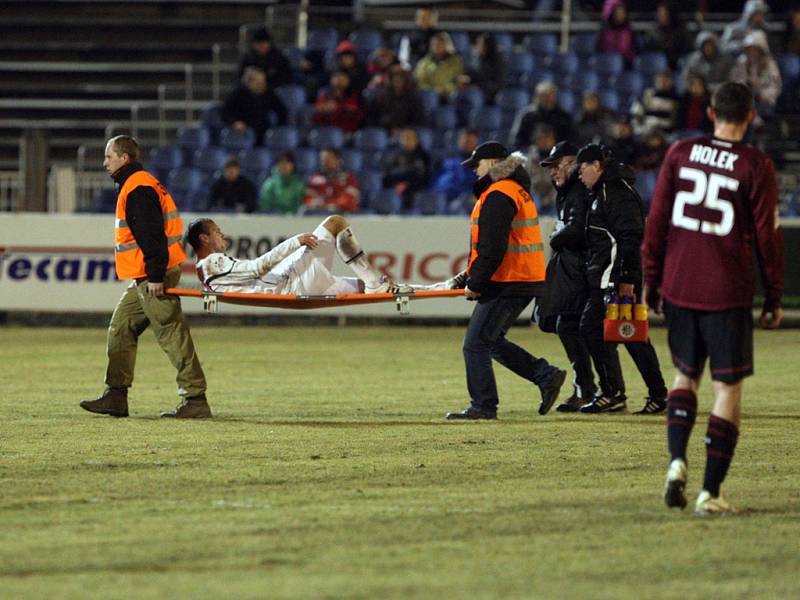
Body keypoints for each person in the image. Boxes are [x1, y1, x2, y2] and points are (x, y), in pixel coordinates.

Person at [642, 82, 784, 515]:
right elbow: (767, 237)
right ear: (752, 116)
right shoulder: (755, 165)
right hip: (727, 290)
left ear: (709, 113)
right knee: (727, 388)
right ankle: (710, 492)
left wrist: (652, 276)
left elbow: (658, 219)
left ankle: (676, 463)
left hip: (681, 283)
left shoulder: (680, 153)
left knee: (684, 378)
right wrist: (773, 293)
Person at [80, 136, 210, 419]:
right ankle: (116, 396)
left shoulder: (137, 188)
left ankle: (195, 398)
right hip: (147, 273)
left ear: (124, 158)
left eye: (109, 156)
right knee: (121, 326)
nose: (105, 162)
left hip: (153, 273)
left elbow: (152, 238)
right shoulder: (140, 183)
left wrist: (154, 275)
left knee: (170, 331)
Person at [445, 141, 566, 420]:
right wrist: (467, 276)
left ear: (494, 163)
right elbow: (493, 246)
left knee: (475, 344)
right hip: (522, 277)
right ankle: (545, 375)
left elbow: (493, 248)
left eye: (478, 164)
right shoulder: (516, 190)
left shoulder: (498, 194)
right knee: (491, 340)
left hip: (510, 279)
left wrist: (475, 282)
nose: (475, 170)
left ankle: (483, 406)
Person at [574, 143, 667, 414]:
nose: (580, 175)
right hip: (609, 276)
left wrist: (627, 277)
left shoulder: (614, 193)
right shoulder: (607, 190)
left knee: (621, 334)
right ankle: (636, 393)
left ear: (596, 166)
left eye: (582, 169)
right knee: (626, 335)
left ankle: (628, 394)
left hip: (617, 278)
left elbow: (631, 238)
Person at [188, 216, 411, 296]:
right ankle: (374, 283)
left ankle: (439, 287)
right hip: (292, 285)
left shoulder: (205, 270)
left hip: (291, 283)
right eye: (216, 231)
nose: (222, 234)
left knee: (370, 288)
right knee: (335, 223)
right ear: (204, 239)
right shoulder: (213, 262)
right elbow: (257, 268)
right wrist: (295, 242)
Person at [536, 142, 597, 412]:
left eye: (557, 165)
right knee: (568, 325)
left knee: (570, 326)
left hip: (582, 269)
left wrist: (556, 237)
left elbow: (576, 230)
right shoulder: (571, 191)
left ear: (573, 162)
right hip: (577, 269)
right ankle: (589, 387)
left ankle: (590, 388)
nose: (553, 172)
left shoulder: (576, 191)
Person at [222, 67, 287, 145]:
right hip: (242, 132)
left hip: (263, 131)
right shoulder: (238, 94)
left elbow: (282, 110)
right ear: (249, 82)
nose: (262, 86)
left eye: (263, 83)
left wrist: (278, 127)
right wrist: (234, 122)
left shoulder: (268, 93)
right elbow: (225, 112)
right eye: (258, 83)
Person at [730, 30, 782, 121]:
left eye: (755, 48)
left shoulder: (770, 64)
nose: (752, 51)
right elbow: (735, 82)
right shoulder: (742, 62)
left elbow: (776, 87)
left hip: (764, 103)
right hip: (745, 101)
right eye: (750, 48)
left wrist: (761, 94)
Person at [510, 81, 573, 151]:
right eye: (545, 96)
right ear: (538, 97)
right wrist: (529, 149)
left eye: (551, 95)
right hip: (531, 155)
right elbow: (516, 140)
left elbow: (571, 142)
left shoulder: (564, 118)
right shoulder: (527, 116)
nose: (548, 99)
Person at [381, 128, 431, 210]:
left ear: (416, 140)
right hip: (395, 188)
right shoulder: (394, 155)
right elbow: (388, 174)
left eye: (410, 138)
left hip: (415, 189)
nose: (407, 141)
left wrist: (406, 184)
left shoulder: (423, 155)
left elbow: (423, 176)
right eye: (405, 138)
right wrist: (397, 184)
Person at [366, 65, 427, 131]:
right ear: (390, 80)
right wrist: (389, 128)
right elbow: (373, 117)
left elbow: (419, 119)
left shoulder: (413, 98)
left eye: (400, 79)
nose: (397, 81)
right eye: (395, 79)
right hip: (385, 131)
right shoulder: (381, 97)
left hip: (408, 132)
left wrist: (404, 129)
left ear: (405, 80)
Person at [431, 128, 479, 209]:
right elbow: (434, 178)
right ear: (459, 140)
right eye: (465, 140)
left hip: (463, 199)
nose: (467, 144)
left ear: (476, 143)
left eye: (470, 142)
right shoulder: (445, 157)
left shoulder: (480, 163)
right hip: (441, 195)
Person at [303, 147, 360, 213]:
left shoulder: (349, 179)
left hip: (343, 217)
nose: (324, 163)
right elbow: (307, 199)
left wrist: (330, 204)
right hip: (320, 215)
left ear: (338, 160)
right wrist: (315, 203)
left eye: (328, 159)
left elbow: (349, 201)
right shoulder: (315, 179)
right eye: (322, 160)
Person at [413, 32, 464, 101]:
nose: (437, 47)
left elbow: (459, 80)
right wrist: (433, 91)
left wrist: (446, 89)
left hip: (450, 95)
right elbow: (420, 80)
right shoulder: (424, 62)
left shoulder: (456, 62)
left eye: (440, 44)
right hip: (429, 95)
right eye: (434, 44)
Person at [642, 1, 691, 70]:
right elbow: (649, 49)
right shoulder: (655, 31)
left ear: (671, 14)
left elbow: (687, 50)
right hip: (660, 67)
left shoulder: (681, 32)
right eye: (659, 13)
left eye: (663, 14)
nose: (659, 16)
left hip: (677, 66)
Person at [461, 32, 507, 104]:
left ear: (486, 46)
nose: (477, 47)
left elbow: (498, 85)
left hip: (492, 97)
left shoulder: (499, 61)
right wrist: (469, 79)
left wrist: (478, 87)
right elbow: (480, 76)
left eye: (479, 44)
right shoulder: (483, 58)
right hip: (481, 92)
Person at [631, 70, 679, 135]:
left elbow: (674, 120)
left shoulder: (676, 99)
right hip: (646, 132)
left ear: (671, 82)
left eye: (666, 80)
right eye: (660, 80)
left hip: (665, 133)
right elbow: (636, 114)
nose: (662, 83)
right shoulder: (646, 95)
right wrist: (640, 130)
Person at [525, 124, 557, 215]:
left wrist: (549, 198)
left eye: (548, 138)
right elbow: (526, 183)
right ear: (536, 140)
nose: (545, 142)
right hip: (534, 197)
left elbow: (560, 184)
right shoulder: (529, 159)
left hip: (552, 199)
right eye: (541, 138)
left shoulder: (558, 160)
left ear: (553, 140)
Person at [597, 0, 639, 67]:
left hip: (626, 63)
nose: (620, 15)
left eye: (622, 13)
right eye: (618, 13)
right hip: (607, 62)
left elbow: (634, 50)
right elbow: (600, 48)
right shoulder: (606, 30)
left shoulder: (629, 31)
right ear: (614, 14)